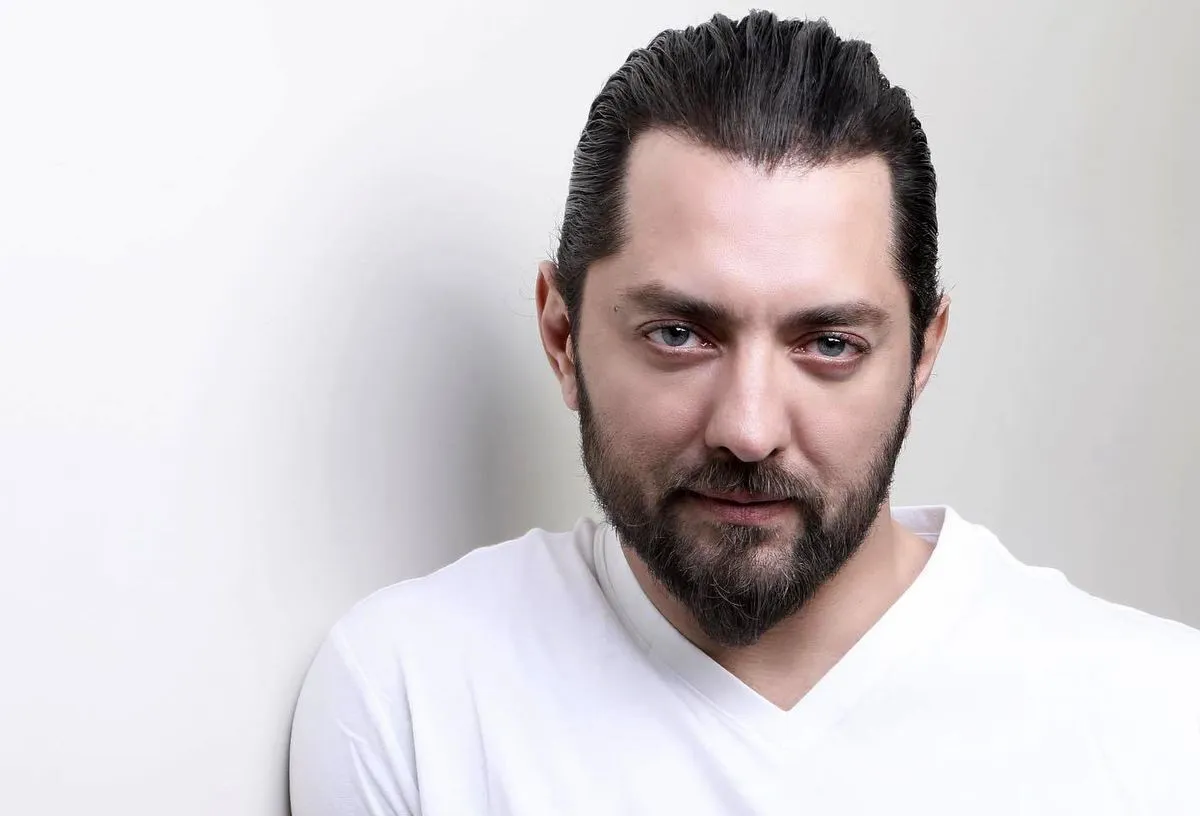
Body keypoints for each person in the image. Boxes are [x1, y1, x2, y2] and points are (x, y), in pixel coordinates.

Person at [289, 11, 1200, 815]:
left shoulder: (1157, 721)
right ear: (563, 336)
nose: (749, 428)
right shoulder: (413, 699)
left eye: (829, 343)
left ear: (923, 355)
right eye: (679, 334)